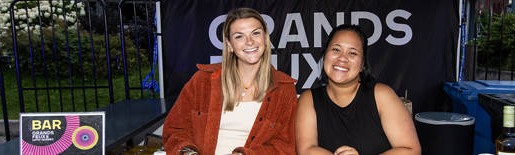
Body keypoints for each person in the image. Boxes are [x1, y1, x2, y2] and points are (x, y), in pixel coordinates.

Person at [163, 8, 297, 155]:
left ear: (265, 38)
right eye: (239, 36)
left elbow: (285, 146)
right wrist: (189, 153)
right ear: (229, 44)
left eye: (256, 33)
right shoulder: (202, 81)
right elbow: (175, 130)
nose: (250, 41)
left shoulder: (284, 89)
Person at [295, 24, 421, 155]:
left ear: (362, 65)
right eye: (336, 49)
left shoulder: (382, 95)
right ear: (325, 54)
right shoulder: (308, 99)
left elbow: (411, 150)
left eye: (352, 53)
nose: (342, 58)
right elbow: (306, 150)